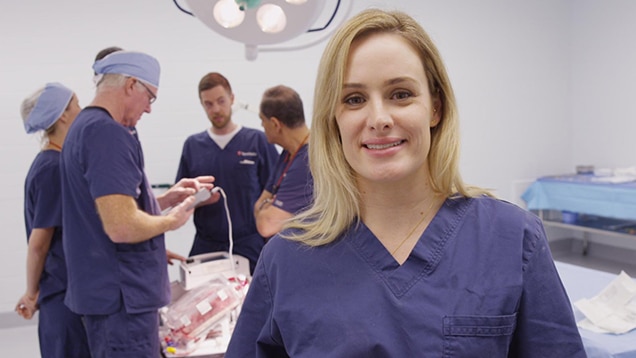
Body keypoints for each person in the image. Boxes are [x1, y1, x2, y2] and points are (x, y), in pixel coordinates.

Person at [226, 9, 586, 357]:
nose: (379, 118)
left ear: (435, 108)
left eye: (400, 94)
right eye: (354, 99)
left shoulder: (512, 239)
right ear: (333, 119)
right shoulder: (287, 259)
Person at [60, 51, 214, 357]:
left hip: (107, 295)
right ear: (131, 84)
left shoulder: (84, 128)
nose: (149, 109)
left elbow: (107, 209)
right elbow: (122, 226)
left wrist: (167, 199)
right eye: (150, 98)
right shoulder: (107, 133)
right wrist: (173, 219)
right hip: (122, 299)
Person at [175, 72, 278, 273]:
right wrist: (200, 200)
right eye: (209, 104)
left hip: (251, 244)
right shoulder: (193, 146)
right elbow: (181, 199)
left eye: (221, 101)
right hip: (206, 245)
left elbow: (277, 193)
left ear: (232, 99)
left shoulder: (258, 141)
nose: (216, 109)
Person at [15, 83, 90, 358]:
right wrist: (31, 292)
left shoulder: (54, 162)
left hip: (63, 295)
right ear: (62, 115)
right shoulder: (53, 168)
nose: (82, 111)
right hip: (62, 298)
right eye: (77, 105)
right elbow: (39, 243)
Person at [253, 85, 313, 239]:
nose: (262, 126)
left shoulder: (309, 160)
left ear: (275, 124)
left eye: (262, 120)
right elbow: (258, 206)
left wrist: (267, 206)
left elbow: (266, 225)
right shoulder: (288, 153)